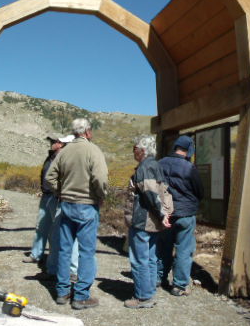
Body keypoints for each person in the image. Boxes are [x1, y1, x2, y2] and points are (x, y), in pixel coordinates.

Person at [46, 118, 108, 310]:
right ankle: (81, 296)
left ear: (74, 132)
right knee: (86, 252)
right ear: (88, 132)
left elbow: (50, 177)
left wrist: (60, 192)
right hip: (87, 206)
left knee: (65, 250)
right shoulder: (93, 150)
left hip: (66, 205)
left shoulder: (64, 152)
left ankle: (62, 292)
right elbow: (100, 178)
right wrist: (101, 195)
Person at [123, 134, 173, 308]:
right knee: (151, 257)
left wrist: (161, 214)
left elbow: (151, 194)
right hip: (153, 222)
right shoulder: (156, 165)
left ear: (142, 150)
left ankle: (143, 297)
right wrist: (164, 215)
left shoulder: (145, 167)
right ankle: (149, 291)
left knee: (139, 259)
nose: (133, 151)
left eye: (135, 148)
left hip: (142, 220)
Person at [157, 135, 203, 296]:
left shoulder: (160, 163)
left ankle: (158, 278)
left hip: (165, 214)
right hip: (185, 214)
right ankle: (179, 285)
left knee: (163, 247)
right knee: (184, 249)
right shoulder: (189, 168)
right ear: (189, 150)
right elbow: (199, 190)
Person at [23, 134, 74, 265]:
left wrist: (58, 191)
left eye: (53, 141)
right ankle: (36, 254)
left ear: (61, 143)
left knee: (55, 231)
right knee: (41, 227)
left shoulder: (64, 157)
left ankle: (54, 264)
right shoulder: (51, 156)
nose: (51, 143)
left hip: (55, 196)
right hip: (46, 195)